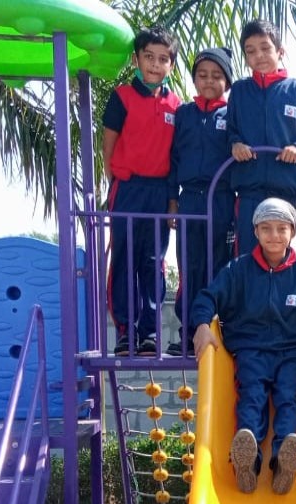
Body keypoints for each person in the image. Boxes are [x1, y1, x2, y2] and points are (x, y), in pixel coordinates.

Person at [191, 199, 296, 495]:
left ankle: (283, 461)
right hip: (251, 349)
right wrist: (201, 325)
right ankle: (247, 462)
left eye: (281, 229)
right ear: (255, 232)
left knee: (288, 396)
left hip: (292, 352)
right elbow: (207, 297)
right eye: (266, 229)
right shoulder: (239, 270)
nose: (274, 235)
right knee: (252, 394)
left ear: (292, 232)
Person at [102, 27, 180, 356]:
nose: (155, 64)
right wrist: (115, 182)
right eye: (149, 57)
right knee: (125, 258)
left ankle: (149, 331)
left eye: (163, 59)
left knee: (154, 261)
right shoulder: (121, 97)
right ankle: (125, 331)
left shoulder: (176, 105)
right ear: (136, 59)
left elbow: (176, 157)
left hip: (159, 191)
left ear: (171, 65)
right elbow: (108, 146)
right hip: (128, 187)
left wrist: (172, 200)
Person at [226, 19, 296, 257]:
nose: (259, 56)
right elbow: (230, 131)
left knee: (279, 255)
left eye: (265, 48)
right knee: (247, 258)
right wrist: (235, 144)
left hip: (285, 189)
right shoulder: (239, 91)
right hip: (248, 190)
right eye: (251, 51)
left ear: (280, 52)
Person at [167, 46, 236, 356]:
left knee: (219, 265)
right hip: (190, 200)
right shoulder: (184, 114)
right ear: (194, 79)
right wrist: (172, 199)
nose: (209, 81)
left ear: (227, 82)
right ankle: (189, 332)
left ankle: (216, 329)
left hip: (221, 199)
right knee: (189, 266)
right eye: (203, 75)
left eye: (217, 76)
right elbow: (172, 159)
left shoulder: (232, 115)